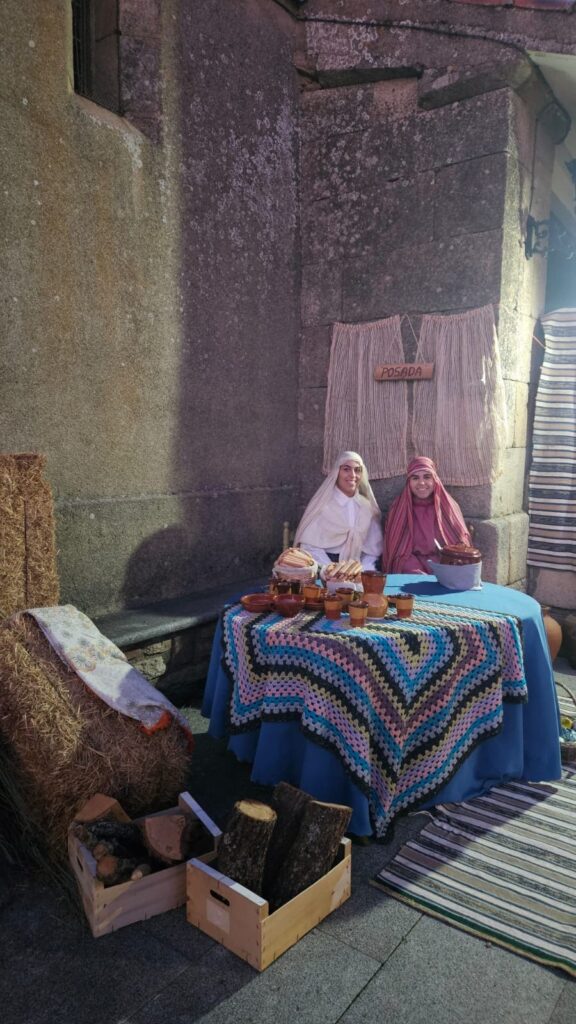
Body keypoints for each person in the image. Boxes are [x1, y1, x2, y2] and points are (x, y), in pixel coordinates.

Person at [294, 451, 382, 571]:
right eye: (346, 469)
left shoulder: (367, 507)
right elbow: (309, 546)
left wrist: (364, 568)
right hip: (324, 568)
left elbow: (373, 550)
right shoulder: (323, 506)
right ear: (337, 472)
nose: (353, 475)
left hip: (358, 569)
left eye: (357, 470)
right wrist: (331, 569)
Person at [382, 456, 471, 574]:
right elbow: (397, 551)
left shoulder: (448, 506)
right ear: (409, 482)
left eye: (427, 477)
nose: (421, 483)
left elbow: (460, 545)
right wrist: (417, 573)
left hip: (444, 563)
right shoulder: (399, 509)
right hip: (410, 566)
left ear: (435, 480)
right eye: (415, 478)